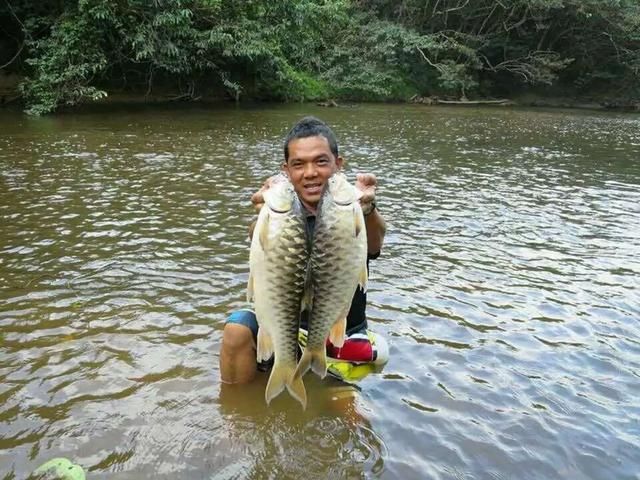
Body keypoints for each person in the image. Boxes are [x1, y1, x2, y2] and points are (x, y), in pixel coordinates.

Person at [219, 116, 387, 384]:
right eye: (299, 164)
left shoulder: (350, 213)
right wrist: (262, 217)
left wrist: (368, 210)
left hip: (338, 337)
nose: (310, 173)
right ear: (286, 170)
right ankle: (236, 413)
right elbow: (256, 241)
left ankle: (329, 381)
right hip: (287, 328)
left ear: (338, 164)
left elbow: (376, 241)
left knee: (354, 423)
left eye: (321, 161)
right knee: (236, 330)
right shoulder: (278, 214)